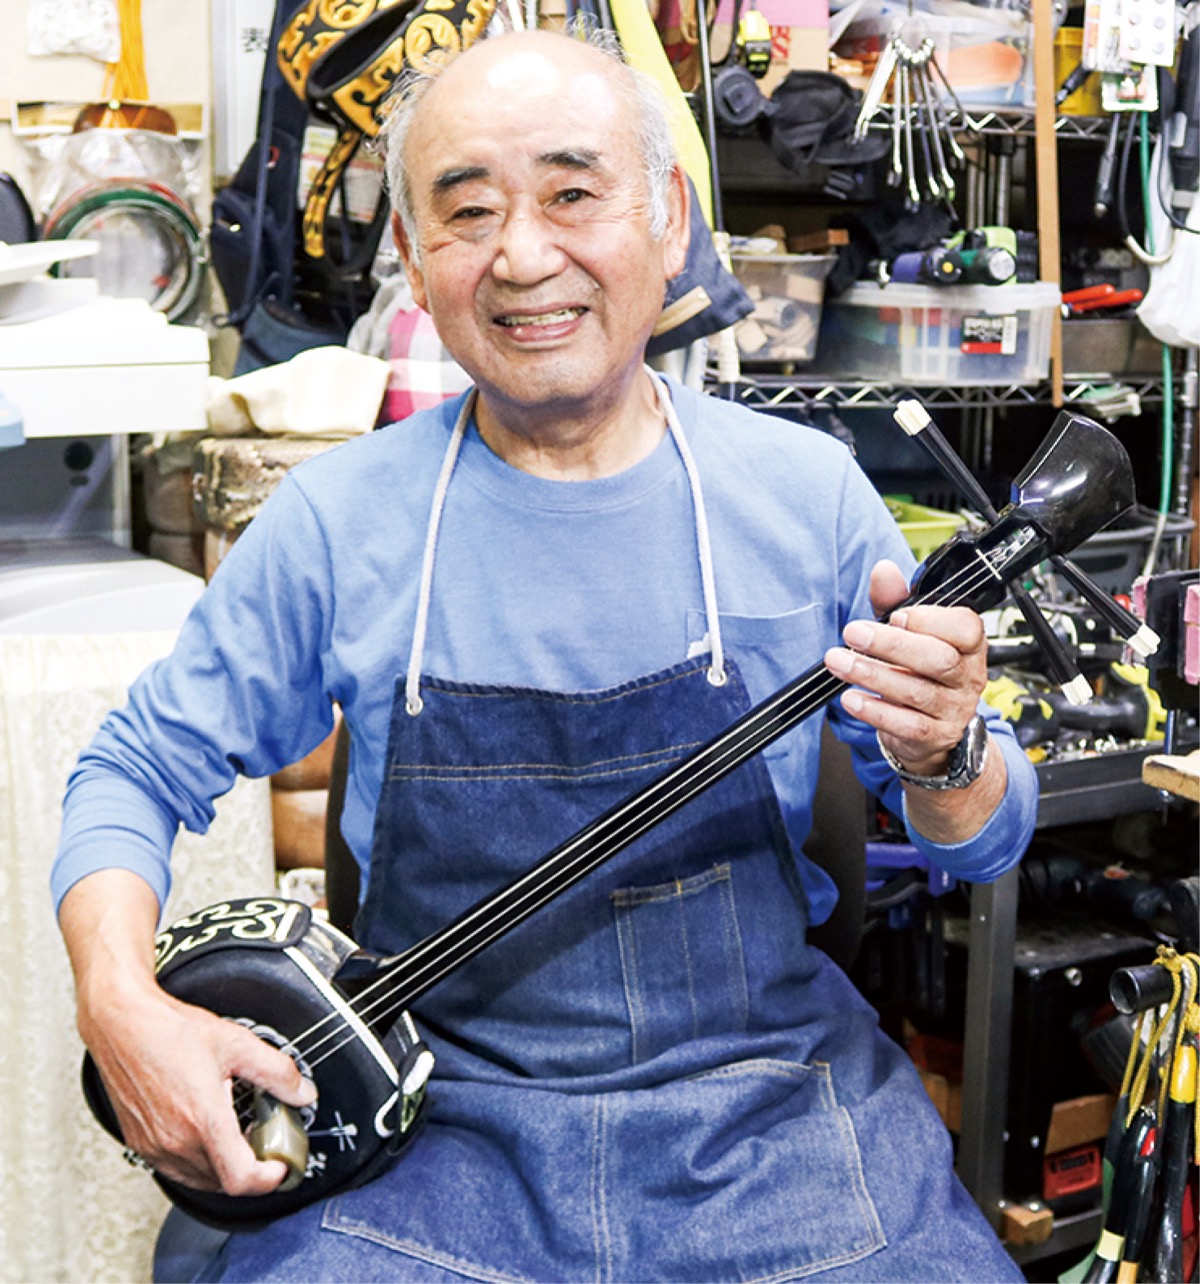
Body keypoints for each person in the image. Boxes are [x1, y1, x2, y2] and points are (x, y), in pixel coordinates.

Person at [55, 26, 1038, 1283]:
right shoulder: (340, 522)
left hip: (765, 1114)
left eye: (573, 195)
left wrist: (947, 754)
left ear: (669, 220)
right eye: (469, 212)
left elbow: (983, 842)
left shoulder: (809, 498)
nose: (523, 256)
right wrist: (118, 1002)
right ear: (414, 256)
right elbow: (132, 771)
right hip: (436, 1121)